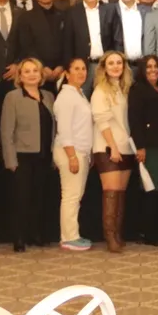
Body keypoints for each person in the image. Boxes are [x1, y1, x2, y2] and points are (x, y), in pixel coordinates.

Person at [1, 57, 57, 252]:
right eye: (27, 71)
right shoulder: (13, 97)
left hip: (44, 155)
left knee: (39, 197)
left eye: (35, 71)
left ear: (41, 75)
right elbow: (6, 131)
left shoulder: (48, 96)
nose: (32, 74)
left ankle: (36, 234)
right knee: (21, 199)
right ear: (20, 76)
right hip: (22, 155)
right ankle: (19, 237)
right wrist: (10, 159)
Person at [128, 55, 158, 247]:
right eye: (148, 67)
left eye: (156, 66)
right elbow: (135, 119)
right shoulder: (137, 89)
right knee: (151, 189)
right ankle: (150, 234)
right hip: (149, 146)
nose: (153, 70)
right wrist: (140, 146)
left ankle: (157, 230)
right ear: (142, 70)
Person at [91, 51, 136, 253]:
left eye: (119, 63)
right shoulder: (100, 91)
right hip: (108, 147)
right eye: (111, 63)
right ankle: (110, 237)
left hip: (126, 147)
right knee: (111, 192)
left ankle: (117, 233)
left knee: (120, 194)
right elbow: (102, 121)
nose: (116, 66)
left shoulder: (125, 89)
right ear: (104, 67)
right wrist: (114, 147)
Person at [53, 58, 95, 252]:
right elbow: (64, 130)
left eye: (84, 69)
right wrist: (72, 156)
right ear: (67, 74)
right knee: (71, 196)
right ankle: (68, 237)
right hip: (70, 151)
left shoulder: (79, 94)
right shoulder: (66, 97)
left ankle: (73, 234)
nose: (81, 72)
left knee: (75, 196)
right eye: (76, 69)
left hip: (80, 151)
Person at [66, 0, 124, 73]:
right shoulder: (72, 13)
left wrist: (116, 63)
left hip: (107, 66)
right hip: (82, 68)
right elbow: (68, 44)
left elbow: (118, 40)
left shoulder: (110, 10)